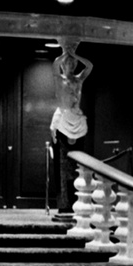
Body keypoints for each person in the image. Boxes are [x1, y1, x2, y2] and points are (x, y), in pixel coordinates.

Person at [50, 47, 93, 213]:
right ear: (63, 65)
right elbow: (54, 65)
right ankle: (64, 204)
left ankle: (77, 202)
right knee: (62, 166)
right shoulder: (59, 79)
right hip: (64, 119)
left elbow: (89, 66)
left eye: (72, 63)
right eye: (67, 63)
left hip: (77, 118)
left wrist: (75, 54)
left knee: (77, 165)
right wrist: (65, 53)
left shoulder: (78, 79)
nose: (70, 65)